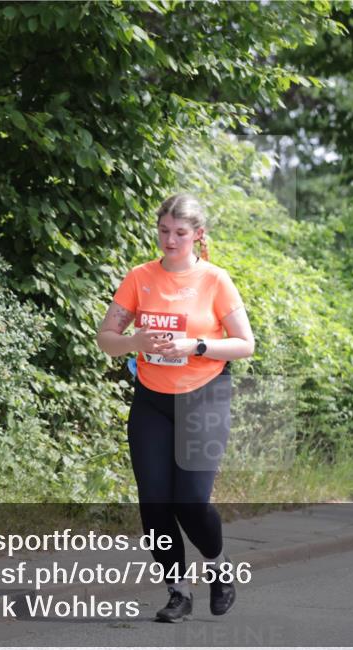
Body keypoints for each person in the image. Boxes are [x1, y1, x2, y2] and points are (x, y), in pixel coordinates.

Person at [96, 193, 255, 623]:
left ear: (197, 235)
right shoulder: (140, 277)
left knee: (191, 502)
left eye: (180, 233)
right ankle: (178, 593)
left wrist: (197, 345)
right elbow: (106, 337)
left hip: (204, 396)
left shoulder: (216, 280)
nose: (170, 240)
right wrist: (134, 342)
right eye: (164, 231)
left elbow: (245, 344)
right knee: (154, 503)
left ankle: (220, 570)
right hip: (152, 400)